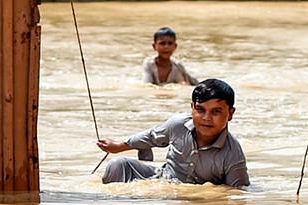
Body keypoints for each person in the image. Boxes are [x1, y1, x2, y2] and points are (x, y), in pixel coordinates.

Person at [97, 78, 249, 188]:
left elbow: (236, 194)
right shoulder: (178, 124)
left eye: (216, 111)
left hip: (192, 200)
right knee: (119, 165)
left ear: (230, 113)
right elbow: (151, 137)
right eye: (200, 110)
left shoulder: (233, 153)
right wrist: (118, 146)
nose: (206, 118)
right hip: (162, 179)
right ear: (192, 108)